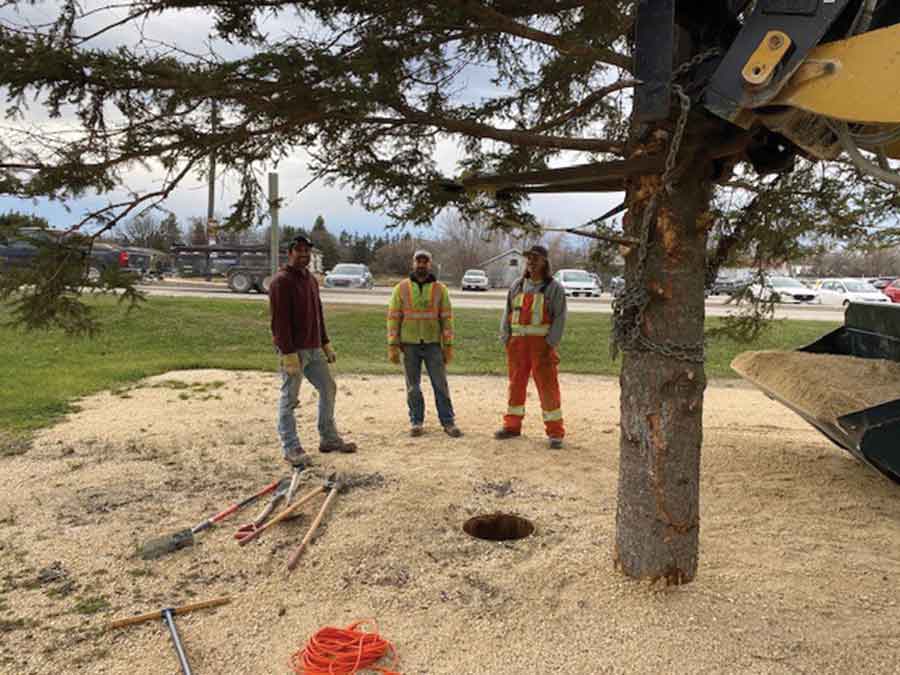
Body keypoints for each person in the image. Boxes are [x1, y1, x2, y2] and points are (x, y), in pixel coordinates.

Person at [269, 234, 357, 467]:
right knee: (290, 399)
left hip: (314, 347)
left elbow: (318, 314)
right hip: (294, 351)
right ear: (290, 253)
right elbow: (279, 323)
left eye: (307, 251)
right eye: (299, 251)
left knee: (328, 387)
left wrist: (325, 343)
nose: (304, 255)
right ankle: (291, 447)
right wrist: (288, 354)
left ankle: (328, 438)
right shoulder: (281, 281)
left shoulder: (310, 280)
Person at [495, 244, 567, 449]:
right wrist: (506, 338)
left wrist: (550, 343)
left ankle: (555, 432)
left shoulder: (554, 289)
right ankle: (512, 426)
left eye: (536, 258)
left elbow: (560, 318)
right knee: (515, 384)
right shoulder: (517, 286)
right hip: (517, 346)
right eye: (529, 258)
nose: (531, 262)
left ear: (545, 262)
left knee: (548, 388)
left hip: (541, 347)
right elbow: (507, 312)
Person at [387, 249, 462, 438]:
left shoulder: (440, 290)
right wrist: (393, 345)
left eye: (425, 261)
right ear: (413, 263)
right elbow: (393, 317)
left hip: (433, 344)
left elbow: (447, 318)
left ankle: (448, 421)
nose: (421, 265)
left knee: (440, 384)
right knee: (413, 386)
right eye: (418, 261)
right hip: (409, 344)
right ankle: (416, 421)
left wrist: (449, 345)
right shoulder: (401, 289)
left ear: (430, 264)